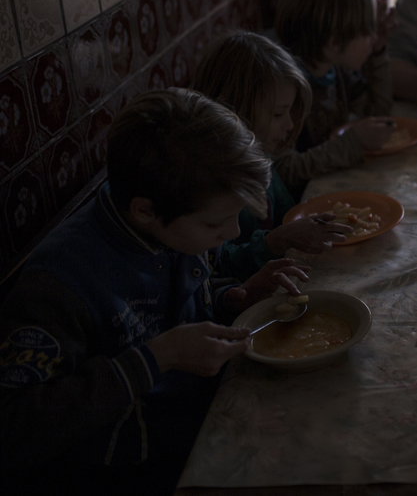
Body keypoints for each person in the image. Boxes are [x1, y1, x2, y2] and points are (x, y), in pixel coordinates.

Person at [0, 89, 310, 494]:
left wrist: (232, 297)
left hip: (202, 422)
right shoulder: (59, 284)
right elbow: (13, 427)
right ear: (144, 210)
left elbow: (180, 307)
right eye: (217, 224)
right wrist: (159, 358)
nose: (233, 233)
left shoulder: (172, 227)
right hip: (134, 472)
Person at [192, 32, 359, 280]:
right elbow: (218, 266)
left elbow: (287, 212)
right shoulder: (211, 182)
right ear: (235, 108)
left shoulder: (262, 157)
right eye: (278, 114)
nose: (290, 125)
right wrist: (273, 242)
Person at [273, 0, 396, 192]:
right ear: (335, 43)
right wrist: (352, 143)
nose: (375, 35)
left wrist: (377, 52)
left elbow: (377, 111)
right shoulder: (286, 93)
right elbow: (284, 171)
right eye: (368, 30)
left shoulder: (336, 71)